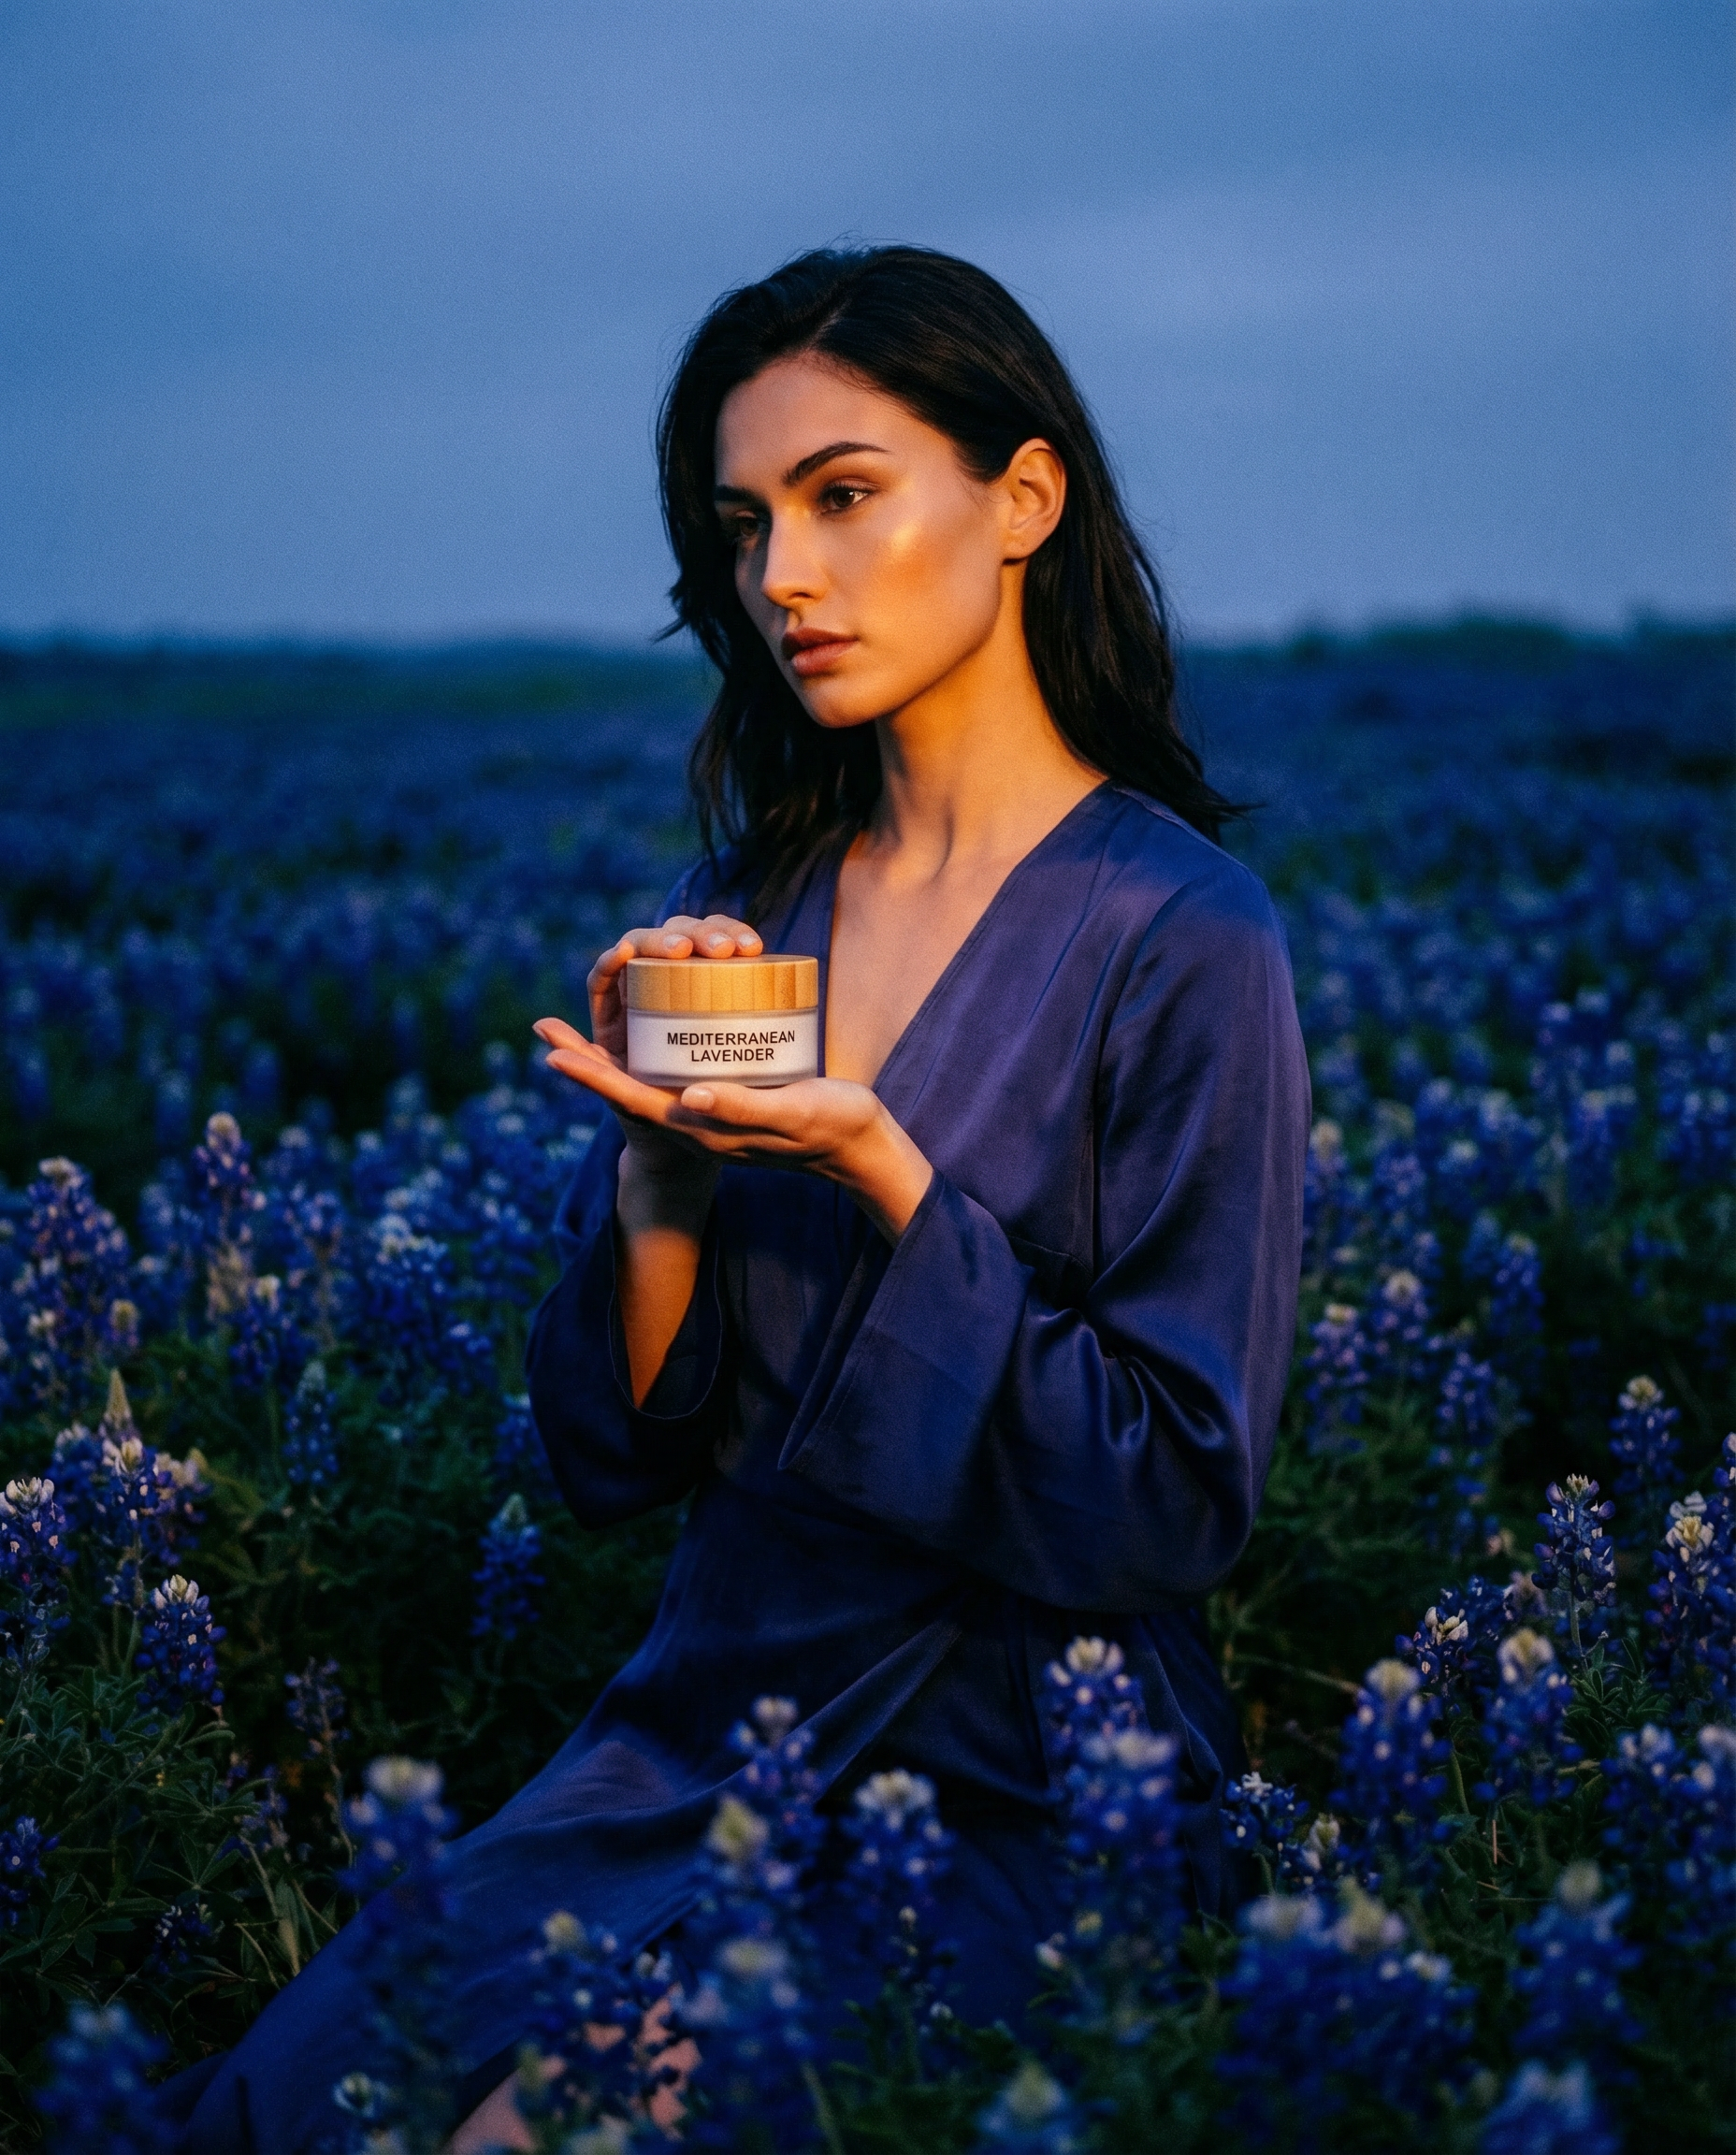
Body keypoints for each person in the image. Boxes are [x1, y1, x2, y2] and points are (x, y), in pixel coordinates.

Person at [169, 244, 1309, 2154]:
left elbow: (1176, 1497)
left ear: (1023, 498)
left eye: (842, 494)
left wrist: (881, 1168)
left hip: (1026, 1772)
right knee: (307, 2110)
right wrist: (661, 1170)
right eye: (744, 522)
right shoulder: (751, 903)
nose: (782, 573)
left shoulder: (1184, 932)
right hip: (696, 1728)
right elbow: (615, 1455)